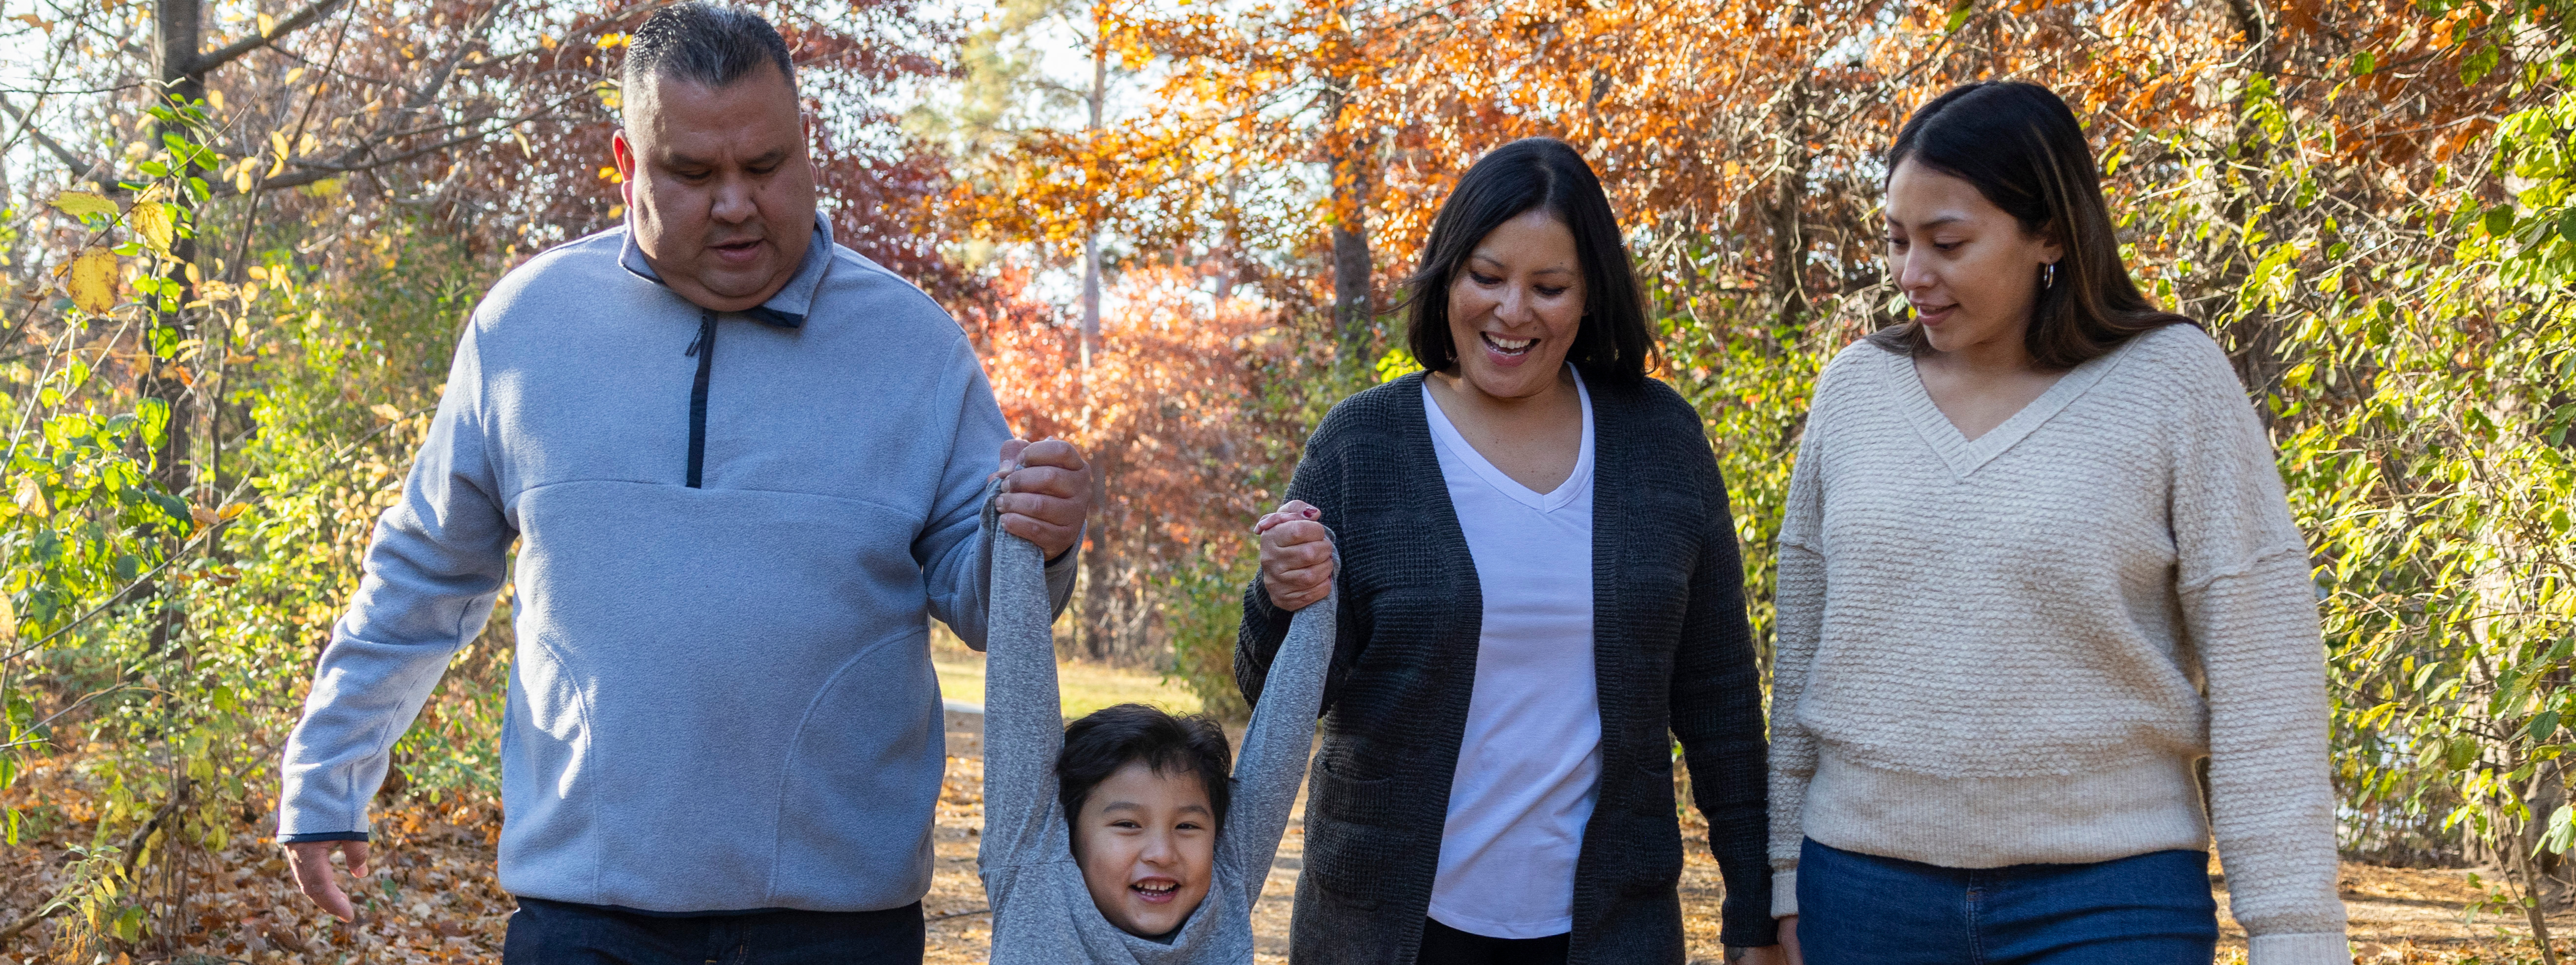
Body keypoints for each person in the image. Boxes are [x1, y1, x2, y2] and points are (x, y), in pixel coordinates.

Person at [272, 6, 1091, 962]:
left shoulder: (914, 347)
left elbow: (988, 598)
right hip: (582, 918)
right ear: (627, 164)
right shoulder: (524, 330)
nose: (736, 202)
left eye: (765, 166)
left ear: (806, 145)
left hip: (837, 929)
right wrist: (329, 769)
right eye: (694, 174)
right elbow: (422, 572)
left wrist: (1038, 533)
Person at [1764, 81, 2349, 965]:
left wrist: (2295, 933)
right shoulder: (1855, 392)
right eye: (1896, 240)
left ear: (2049, 234)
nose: (1909, 275)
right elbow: (1802, 653)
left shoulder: (2172, 383)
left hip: (2110, 898)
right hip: (1862, 893)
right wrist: (1779, 876)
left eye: (1947, 242)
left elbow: (2262, 671)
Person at [1244, 137, 1782, 965]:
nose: (1511, 311)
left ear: (1590, 297)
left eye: (1548, 287)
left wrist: (1754, 907)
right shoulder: (1365, 445)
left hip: (1608, 930)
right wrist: (1280, 593)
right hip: (1386, 927)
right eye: (1486, 276)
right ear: (1446, 275)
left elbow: (1719, 697)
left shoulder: (1658, 441)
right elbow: (1275, 690)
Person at [977, 484, 1335, 963]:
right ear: (1066, 832)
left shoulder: (1221, 891)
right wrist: (1019, 525)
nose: (1162, 852)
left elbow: (1284, 736)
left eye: (1188, 825)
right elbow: (1018, 689)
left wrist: (1314, 569)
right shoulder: (1035, 871)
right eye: (1127, 823)